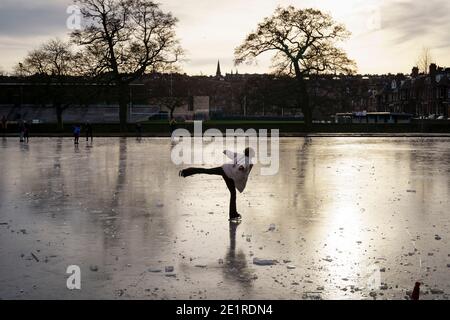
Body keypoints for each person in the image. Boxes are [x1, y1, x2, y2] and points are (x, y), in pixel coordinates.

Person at [179, 147, 255, 221]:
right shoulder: (248, 161)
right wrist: (241, 167)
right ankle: (233, 214)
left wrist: (226, 151)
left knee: (206, 171)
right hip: (229, 175)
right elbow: (243, 165)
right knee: (233, 194)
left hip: (224, 169)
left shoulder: (240, 156)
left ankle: (185, 172)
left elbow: (232, 154)